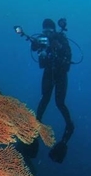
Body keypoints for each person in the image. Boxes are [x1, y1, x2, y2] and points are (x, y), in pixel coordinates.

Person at [29, 18, 74, 163]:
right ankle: (37, 126)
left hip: (60, 74)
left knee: (59, 103)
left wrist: (59, 47)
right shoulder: (43, 39)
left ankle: (69, 128)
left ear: (54, 30)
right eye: (45, 31)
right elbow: (34, 48)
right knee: (44, 99)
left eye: (49, 31)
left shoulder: (61, 38)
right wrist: (35, 43)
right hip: (48, 72)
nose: (47, 33)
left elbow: (68, 53)